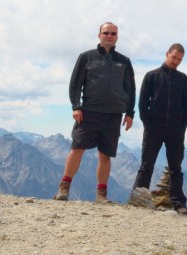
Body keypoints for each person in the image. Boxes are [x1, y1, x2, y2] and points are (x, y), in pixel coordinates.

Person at [54, 22, 136, 204]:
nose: (109, 36)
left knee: (105, 154)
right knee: (77, 149)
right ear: (99, 35)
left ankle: (101, 195)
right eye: (106, 33)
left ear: (117, 37)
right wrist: (76, 106)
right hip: (89, 111)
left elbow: (130, 88)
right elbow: (75, 83)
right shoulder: (86, 57)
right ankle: (64, 188)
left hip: (114, 114)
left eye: (113, 33)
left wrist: (130, 112)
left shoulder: (124, 61)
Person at [133, 43, 187, 215]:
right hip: (154, 128)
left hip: (175, 130)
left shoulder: (183, 79)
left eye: (179, 59)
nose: (176, 62)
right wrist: (148, 124)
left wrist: (181, 127)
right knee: (146, 164)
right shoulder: (152, 76)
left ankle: (179, 203)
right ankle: (138, 199)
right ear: (167, 54)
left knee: (176, 167)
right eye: (174, 57)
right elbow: (143, 103)